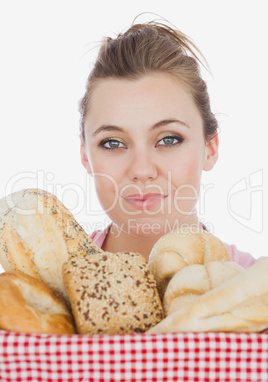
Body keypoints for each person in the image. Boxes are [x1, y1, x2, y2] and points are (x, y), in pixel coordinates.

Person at [79, 19, 257, 268]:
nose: (142, 171)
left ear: (210, 148)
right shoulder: (39, 291)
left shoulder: (257, 286)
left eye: (169, 139)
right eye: (113, 143)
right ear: (85, 155)